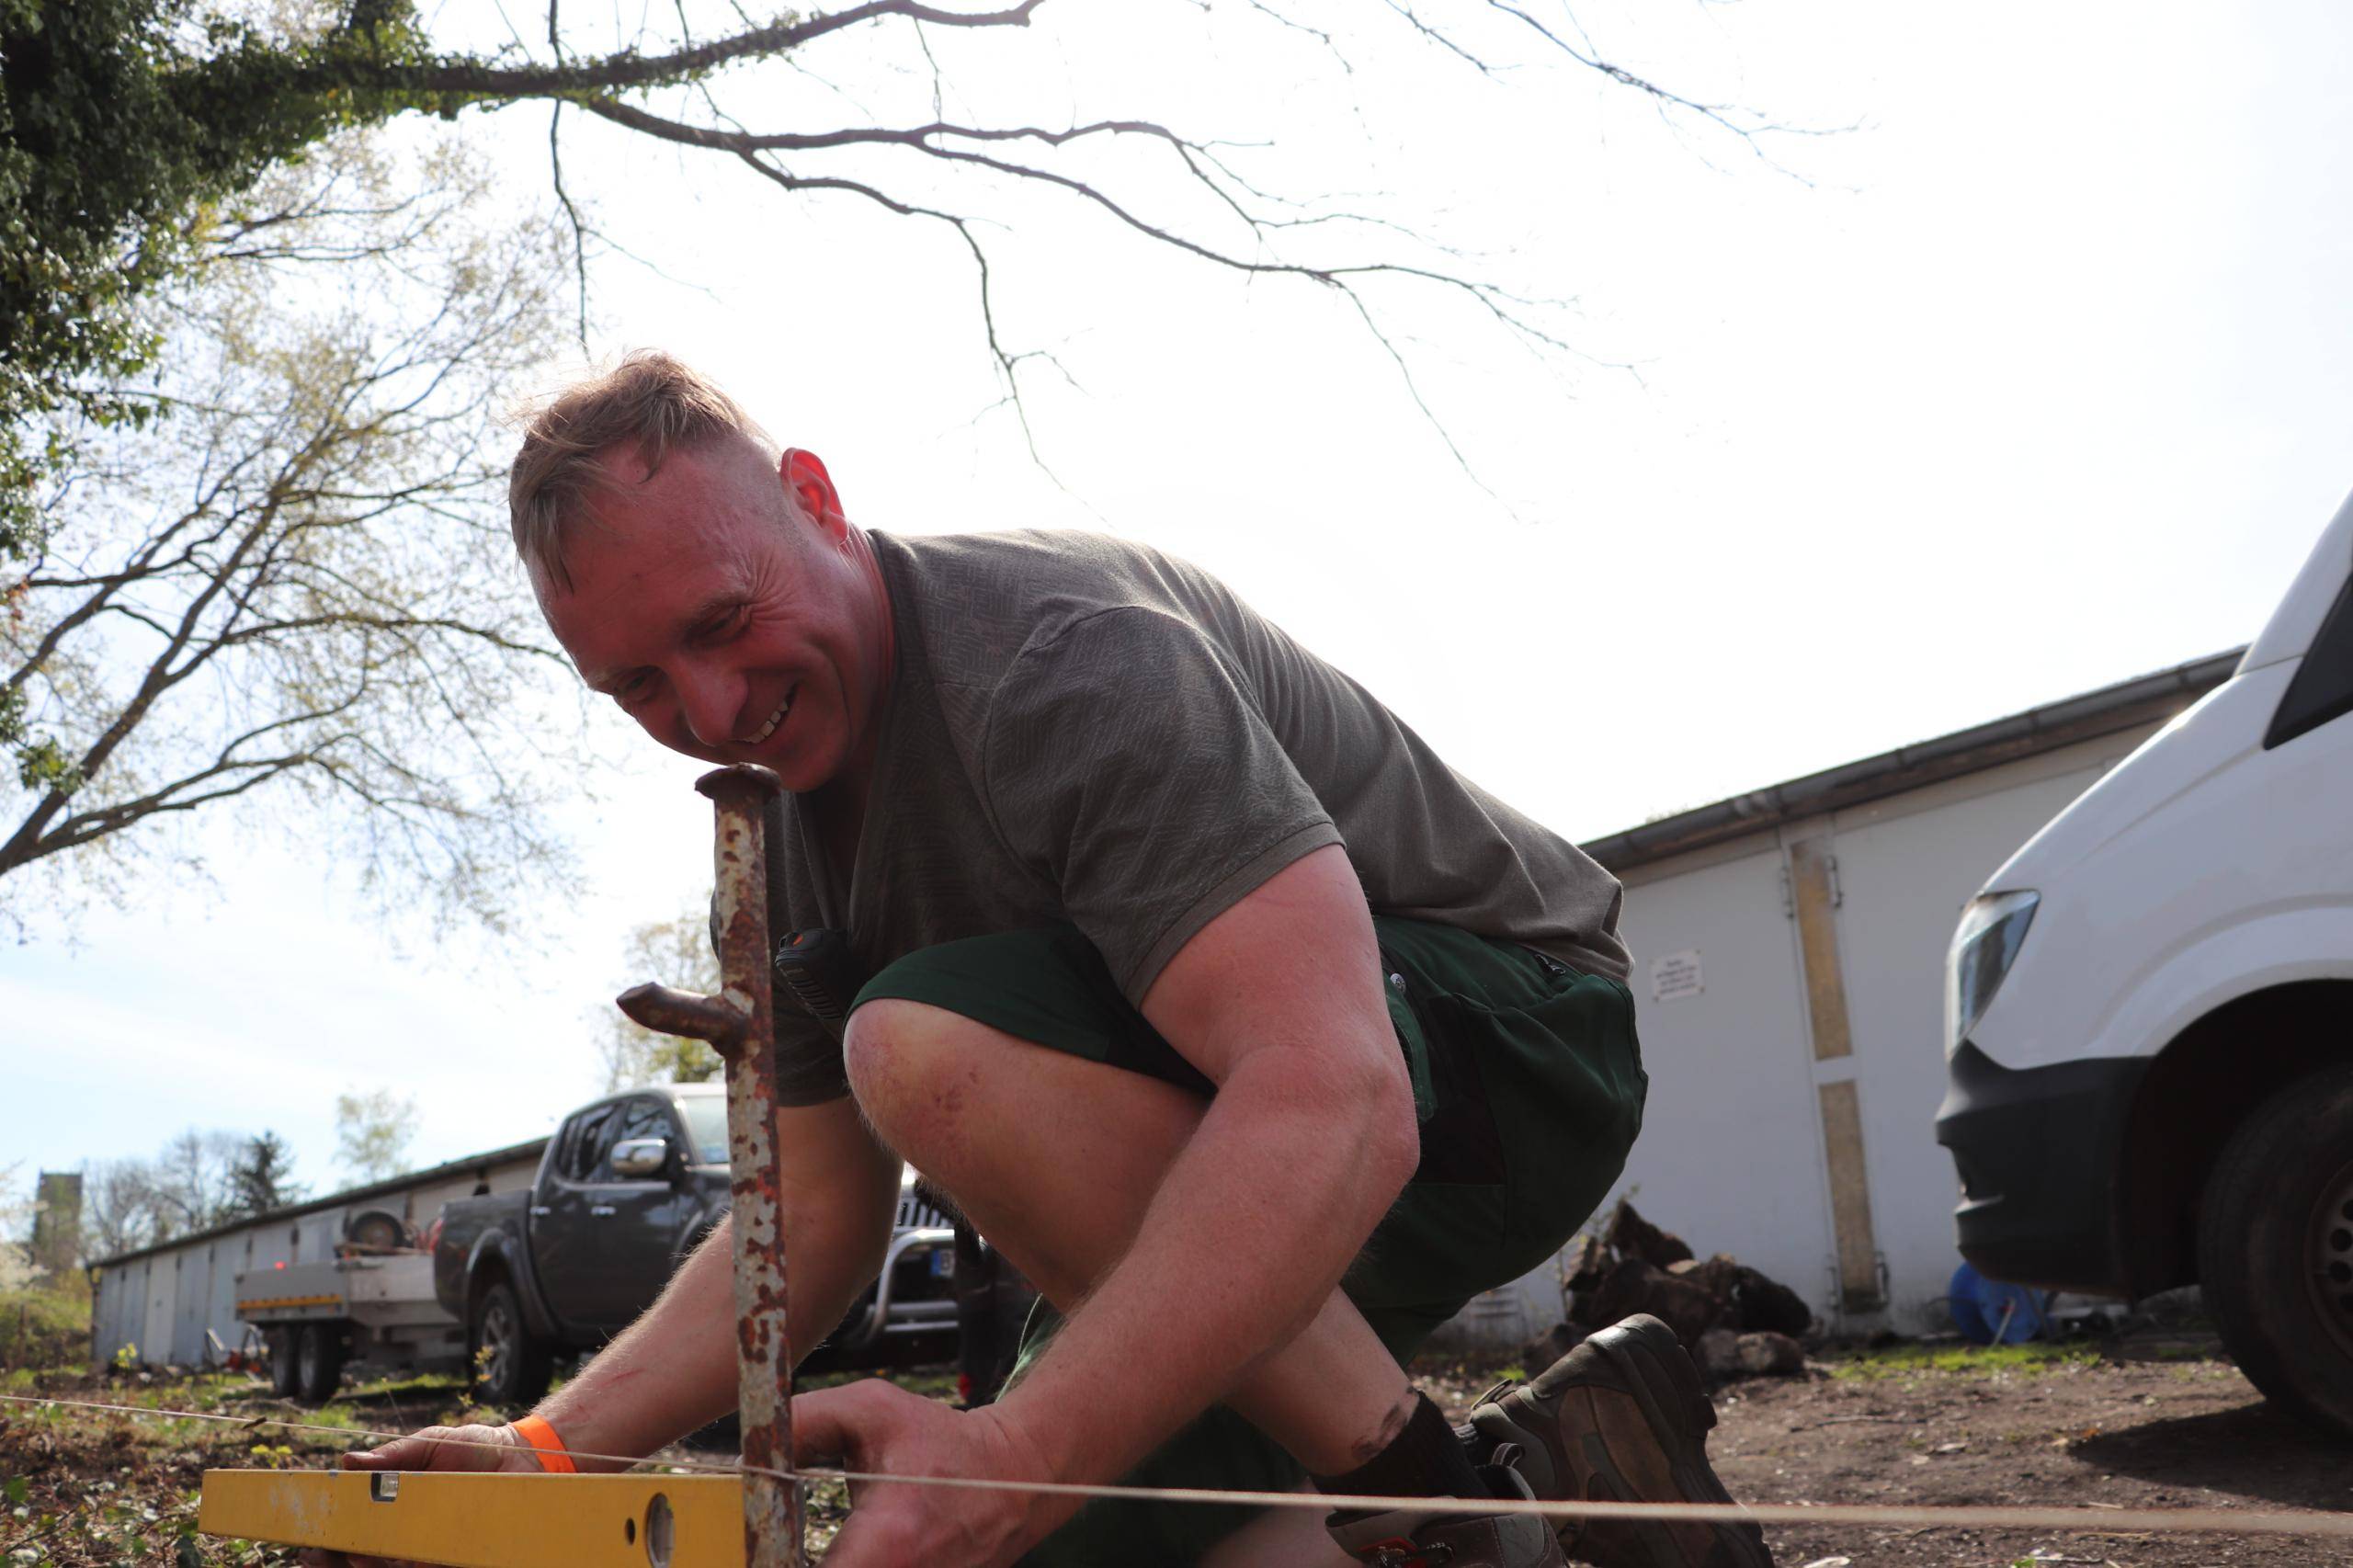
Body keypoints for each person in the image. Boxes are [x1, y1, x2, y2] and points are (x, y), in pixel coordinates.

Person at [314, 352, 1770, 1568]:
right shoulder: (773, 856)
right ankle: (1533, 1497)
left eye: (724, 620)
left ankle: (1419, 1497)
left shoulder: (1063, 660)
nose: (710, 707)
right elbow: (810, 1218)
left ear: (814, 499)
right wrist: (546, 1446)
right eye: (638, 682)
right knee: (1041, 1551)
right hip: (1237, 1139)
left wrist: (1013, 1450)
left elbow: (1337, 1090)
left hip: (1511, 1044)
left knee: (915, 1047)